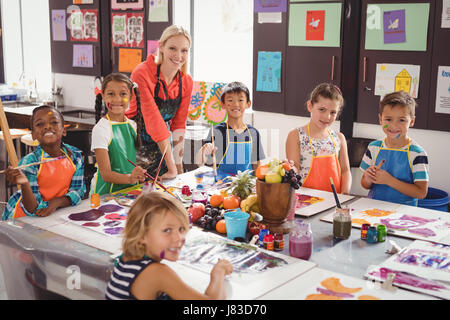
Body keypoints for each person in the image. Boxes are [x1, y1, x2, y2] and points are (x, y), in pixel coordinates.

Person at [105, 191, 233, 300]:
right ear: (141, 234)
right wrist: (218, 272)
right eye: (167, 230)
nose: (179, 238)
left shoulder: (127, 259)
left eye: (181, 229)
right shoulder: (157, 272)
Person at [125, 25, 193, 180]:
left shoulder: (186, 82)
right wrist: (172, 167)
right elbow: (154, 121)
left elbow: (179, 126)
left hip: (162, 149)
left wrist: (178, 166)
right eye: (173, 48)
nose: (178, 55)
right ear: (161, 47)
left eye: (184, 50)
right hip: (134, 146)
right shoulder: (142, 73)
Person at [2, 106, 86, 220]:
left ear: (64, 130)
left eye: (54, 122)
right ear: (33, 135)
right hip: (23, 218)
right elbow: (33, 209)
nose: (47, 126)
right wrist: (25, 183)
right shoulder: (30, 162)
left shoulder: (75, 155)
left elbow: (78, 191)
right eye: (40, 124)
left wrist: (56, 202)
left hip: (55, 213)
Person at [360, 91, 429, 206]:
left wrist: (389, 180)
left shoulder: (417, 153)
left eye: (401, 120)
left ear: (411, 121)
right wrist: (367, 178)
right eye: (388, 119)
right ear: (380, 119)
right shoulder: (373, 147)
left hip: (404, 214)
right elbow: (365, 185)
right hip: (373, 209)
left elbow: (421, 193)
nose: (394, 126)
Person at [285, 83, 351, 194]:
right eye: (322, 109)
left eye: (333, 112)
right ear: (310, 106)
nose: (327, 117)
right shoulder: (296, 135)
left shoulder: (339, 138)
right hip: (305, 200)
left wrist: (345, 195)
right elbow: (295, 169)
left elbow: (345, 171)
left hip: (334, 201)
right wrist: (289, 168)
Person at [90, 73, 147, 196]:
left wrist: (142, 176)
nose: (117, 99)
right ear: (103, 96)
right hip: (106, 194)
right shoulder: (101, 129)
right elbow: (106, 175)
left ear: (131, 97)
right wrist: (130, 178)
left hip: (129, 191)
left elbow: (128, 162)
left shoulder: (132, 125)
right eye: (111, 94)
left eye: (123, 94)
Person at [195, 81, 266, 180]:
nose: (235, 104)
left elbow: (256, 166)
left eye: (241, 100)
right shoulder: (216, 131)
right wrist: (204, 151)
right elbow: (200, 163)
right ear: (223, 104)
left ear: (248, 104)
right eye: (230, 100)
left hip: (246, 187)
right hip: (221, 186)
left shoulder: (253, 133)